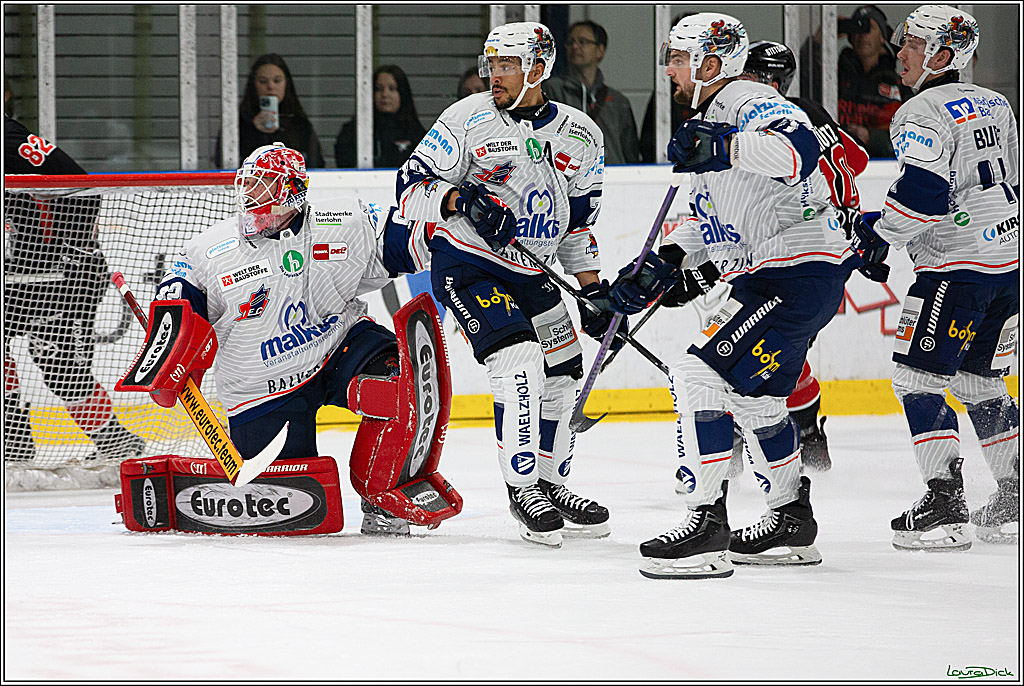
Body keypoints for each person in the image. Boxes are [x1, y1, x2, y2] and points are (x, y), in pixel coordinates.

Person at [607, 13, 865, 579]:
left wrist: (726, 144)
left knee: (697, 374)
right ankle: (791, 518)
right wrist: (662, 264)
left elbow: (796, 150)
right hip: (773, 274)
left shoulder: (748, 98)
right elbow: (708, 221)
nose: (669, 69)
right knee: (756, 401)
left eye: (678, 58)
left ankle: (707, 523)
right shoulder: (707, 119)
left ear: (711, 61)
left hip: (793, 269)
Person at [145, 143, 455, 535]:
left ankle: (382, 497)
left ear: (293, 193)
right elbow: (175, 307)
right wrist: (164, 362)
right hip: (261, 383)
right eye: (248, 187)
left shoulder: (345, 220)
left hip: (337, 345)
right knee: (288, 495)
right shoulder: (210, 252)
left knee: (402, 385)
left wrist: (459, 251)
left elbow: (414, 242)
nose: (250, 199)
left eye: (263, 188)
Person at [395, 22, 616, 548]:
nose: (494, 74)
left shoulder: (581, 135)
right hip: (469, 263)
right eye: (491, 63)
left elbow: (577, 225)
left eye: (507, 64)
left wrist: (593, 290)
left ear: (538, 68)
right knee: (517, 361)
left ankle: (550, 481)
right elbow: (410, 188)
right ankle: (522, 489)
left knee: (564, 370)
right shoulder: (466, 118)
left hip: (532, 271)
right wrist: (461, 201)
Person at [863, 6, 1019, 550]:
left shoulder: (920, 111)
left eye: (911, 45)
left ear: (942, 56)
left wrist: (879, 234)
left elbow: (924, 196)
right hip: (1007, 263)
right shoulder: (996, 103)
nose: (898, 53)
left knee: (917, 380)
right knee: (979, 382)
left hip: (954, 269)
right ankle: (1014, 498)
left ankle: (945, 507)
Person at [4, 88, 147, 462]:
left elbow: (79, 185)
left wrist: (68, 250)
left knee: (59, 363)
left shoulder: (10, 139)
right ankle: (14, 445)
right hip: (18, 280)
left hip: (65, 277)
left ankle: (114, 441)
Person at [543, 20, 640, 165]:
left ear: (600, 50)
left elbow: (630, 155)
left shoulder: (618, 102)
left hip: (615, 180)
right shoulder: (551, 91)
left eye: (582, 42)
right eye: (570, 42)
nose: (575, 47)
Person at [216, 53, 325, 169]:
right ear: (254, 86)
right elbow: (225, 163)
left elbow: (316, 164)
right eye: (263, 81)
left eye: (277, 81)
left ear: (286, 84)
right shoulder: (238, 125)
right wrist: (252, 131)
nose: (270, 86)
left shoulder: (300, 125)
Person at [837, 5, 913, 158]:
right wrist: (823, 35)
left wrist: (871, 138)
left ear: (882, 37)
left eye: (869, 28)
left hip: (883, 168)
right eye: (858, 28)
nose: (862, 35)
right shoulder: (832, 76)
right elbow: (804, 79)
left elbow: (915, 134)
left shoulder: (899, 84)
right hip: (839, 163)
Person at [335, 65, 426, 169]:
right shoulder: (353, 132)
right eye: (379, 89)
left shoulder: (416, 133)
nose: (385, 94)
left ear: (402, 94)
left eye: (392, 89)